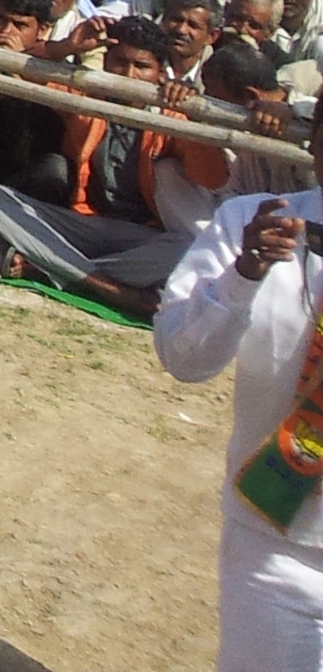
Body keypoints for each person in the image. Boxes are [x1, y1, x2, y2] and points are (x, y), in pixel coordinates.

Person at [154, 99, 323, 669]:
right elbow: (183, 358)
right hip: (278, 543)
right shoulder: (255, 225)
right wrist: (242, 279)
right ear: (314, 144)